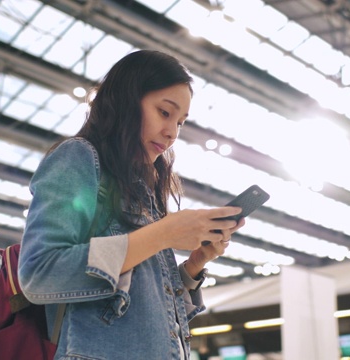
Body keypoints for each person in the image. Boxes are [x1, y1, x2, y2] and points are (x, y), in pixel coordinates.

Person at [18, 49, 245, 360]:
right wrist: (164, 234)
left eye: (180, 122)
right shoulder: (79, 158)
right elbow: (40, 273)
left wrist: (193, 266)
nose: (172, 133)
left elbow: (146, 312)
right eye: (165, 113)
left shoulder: (144, 189)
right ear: (125, 101)